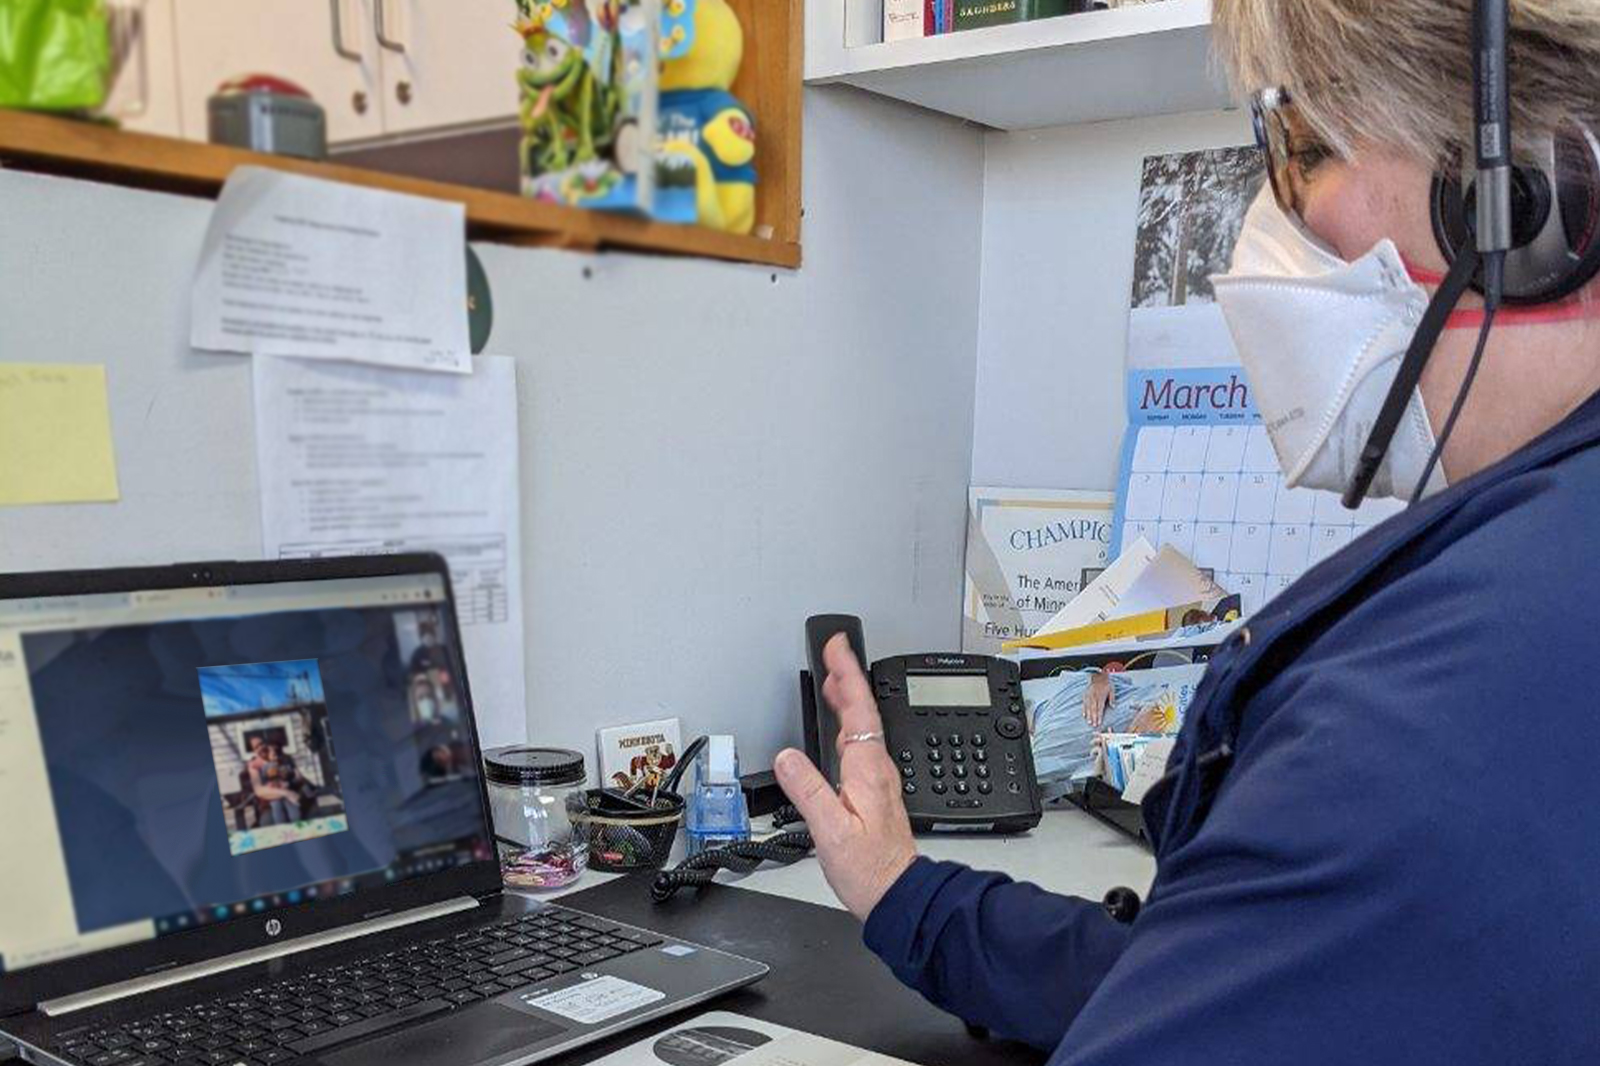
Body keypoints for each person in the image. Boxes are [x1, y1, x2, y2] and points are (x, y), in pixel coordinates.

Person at [774, 2, 1600, 1062]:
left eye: (1300, 147)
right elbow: (1256, 978)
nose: (1265, 218)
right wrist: (905, 894)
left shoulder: (1434, 710)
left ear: (1521, 201)